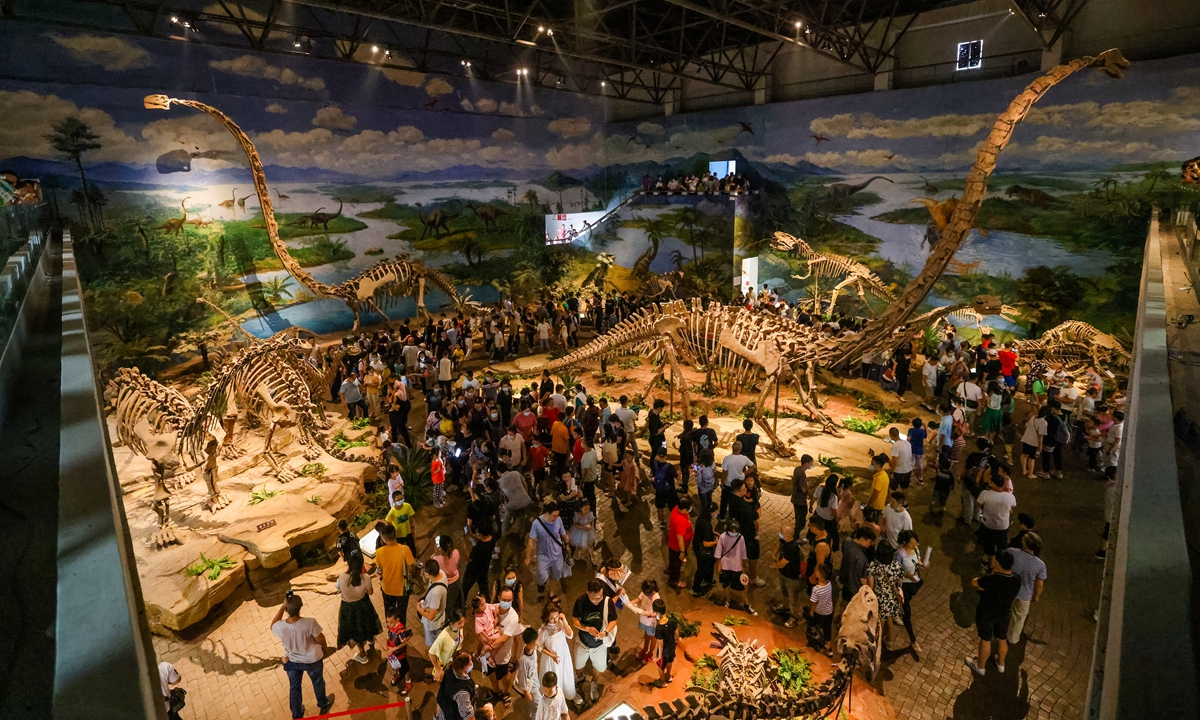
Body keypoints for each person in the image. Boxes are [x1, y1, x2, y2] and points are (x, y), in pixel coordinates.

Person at [271, 594, 333, 719]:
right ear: (300, 607)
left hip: (292, 661)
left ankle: (297, 714)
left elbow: (273, 625)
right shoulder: (309, 622)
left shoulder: (281, 626)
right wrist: (324, 648)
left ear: (287, 610)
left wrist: (283, 607)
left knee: (294, 687)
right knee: (318, 681)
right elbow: (320, 638)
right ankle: (323, 705)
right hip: (312, 660)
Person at [966, 553, 1022, 676]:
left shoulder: (993, 579)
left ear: (998, 563)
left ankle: (980, 666)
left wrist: (985, 585)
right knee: (1002, 637)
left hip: (987, 611)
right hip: (1004, 612)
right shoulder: (1017, 579)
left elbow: (975, 582)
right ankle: (1001, 663)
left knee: (985, 639)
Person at [572, 579, 619, 705]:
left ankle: (594, 682)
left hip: (600, 644)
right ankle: (579, 678)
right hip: (582, 640)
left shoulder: (607, 602)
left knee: (598, 667)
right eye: (594, 598)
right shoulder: (581, 601)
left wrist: (606, 632)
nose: (597, 600)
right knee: (578, 664)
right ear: (588, 593)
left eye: (600, 597)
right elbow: (574, 620)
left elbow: (613, 620)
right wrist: (586, 628)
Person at [337, 550, 382, 664]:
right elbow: (370, 592)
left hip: (348, 608)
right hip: (363, 604)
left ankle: (363, 654)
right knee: (368, 623)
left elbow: (338, 588)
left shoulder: (342, 577)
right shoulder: (365, 578)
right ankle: (371, 642)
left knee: (355, 629)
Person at [1006, 533, 1047, 644]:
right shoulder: (1040, 565)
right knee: (1018, 619)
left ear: (1024, 543)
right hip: (1024, 595)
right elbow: (1039, 585)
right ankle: (1012, 639)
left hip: (1008, 589)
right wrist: (1036, 596)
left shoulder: (1011, 552)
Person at [371, 523, 415, 622]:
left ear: (384, 539)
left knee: (389, 613)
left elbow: (379, 569)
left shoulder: (379, 552)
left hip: (387, 588)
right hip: (402, 589)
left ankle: (391, 632)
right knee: (401, 613)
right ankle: (401, 632)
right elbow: (412, 568)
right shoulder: (405, 549)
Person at [527, 502, 572, 596]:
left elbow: (562, 533)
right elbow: (531, 541)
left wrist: (567, 543)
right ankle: (542, 583)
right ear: (547, 513)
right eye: (554, 515)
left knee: (556, 575)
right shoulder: (537, 523)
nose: (556, 518)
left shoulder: (558, 520)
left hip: (557, 554)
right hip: (543, 554)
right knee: (541, 575)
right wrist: (527, 557)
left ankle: (551, 593)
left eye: (557, 515)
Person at [537, 597, 576, 703]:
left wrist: (564, 621)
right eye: (552, 618)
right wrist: (551, 655)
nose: (555, 620)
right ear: (547, 618)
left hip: (563, 655)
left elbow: (570, 635)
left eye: (557, 616)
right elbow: (539, 647)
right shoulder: (543, 630)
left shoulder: (561, 622)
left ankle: (569, 695)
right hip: (551, 660)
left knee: (566, 675)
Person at [895, 529, 927, 655]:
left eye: (916, 544)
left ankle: (898, 608)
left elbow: (917, 562)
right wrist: (907, 576)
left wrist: (922, 564)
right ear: (905, 543)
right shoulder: (900, 554)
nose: (915, 546)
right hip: (904, 585)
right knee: (907, 613)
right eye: (912, 544)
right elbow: (895, 572)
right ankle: (913, 640)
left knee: (906, 602)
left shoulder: (916, 550)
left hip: (914, 582)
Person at [976, 468, 1016, 566]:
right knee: (1001, 546)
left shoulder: (985, 494)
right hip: (1003, 526)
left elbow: (977, 504)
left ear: (993, 484)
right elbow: (1013, 507)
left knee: (989, 546)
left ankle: (991, 564)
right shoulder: (1010, 497)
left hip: (988, 525)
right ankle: (999, 565)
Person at [715, 519, 755, 615]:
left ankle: (746, 604)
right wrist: (719, 565)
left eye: (735, 532)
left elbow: (742, 551)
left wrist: (741, 565)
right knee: (725, 584)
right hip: (725, 565)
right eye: (731, 532)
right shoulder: (723, 537)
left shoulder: (740, 538)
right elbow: (718, 551)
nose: (733, 534)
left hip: (736, 565)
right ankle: (727, 600)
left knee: (741, 587)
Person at [771, 521, 804, 627]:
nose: (779, 534)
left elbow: (782, 563)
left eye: (781, 532)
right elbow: (778, 543)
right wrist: (774, 553)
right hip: (783, 574)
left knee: (793, 599)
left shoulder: (792, 548)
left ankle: (796, 617)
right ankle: (785, 608)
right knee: (784, 592)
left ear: (788, 535)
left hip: (791, 577)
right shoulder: (784, 540)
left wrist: (773, 565)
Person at [839, 527, 875, 606]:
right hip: (855, 587)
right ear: (862, 539)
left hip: (845, 579)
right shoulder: (861, 558)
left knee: (844, 603)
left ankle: (841, 617)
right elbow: (863, 579)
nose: (870, 544)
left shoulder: (847, 541)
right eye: (869, 541)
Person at [436, 652, 477, 720]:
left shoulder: (450, 670)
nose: (471, 663)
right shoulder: (462, 692)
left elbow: (442, 692)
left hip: (445, 710)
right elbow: (467, 714)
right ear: (464, 667)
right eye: (469, 663)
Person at [418, 559, 449, 647]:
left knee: (434, 646)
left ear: (428, 574)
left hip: (434, 625)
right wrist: (424, 577)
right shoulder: (441, 574)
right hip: (440, 617)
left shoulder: (436, 593)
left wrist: (419, 609)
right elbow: (429, 583)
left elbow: (431, 616)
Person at [691, 500, 719, 597]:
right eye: (716, 511)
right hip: (703, 551)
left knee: (710, 564)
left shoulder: (702, 518)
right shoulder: (706, 525)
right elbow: (706, 543)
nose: (717, 513)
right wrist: (716, 542)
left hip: (697, 547)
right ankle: (695, 589)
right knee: (701, 569)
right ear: (711, 512)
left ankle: (708, 580)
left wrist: (713, 533)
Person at [429, 610, 467, 682]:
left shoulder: (459, 628)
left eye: (463, 621)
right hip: (446, 667)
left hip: (455, 663)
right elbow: (431, 653)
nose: (463, 624)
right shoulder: (443, 637)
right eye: (460, 623)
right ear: (452, 624)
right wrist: (438, 669)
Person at [720, 441, 754, 519]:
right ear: (740, 449)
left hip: (728, 483)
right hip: (739, 482)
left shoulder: (727, 458)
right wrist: (744, 474)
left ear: (732, 448)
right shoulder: (744, 458)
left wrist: (722, 482)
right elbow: (753, 467)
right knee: (735, 501)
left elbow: (725, 472)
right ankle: (733, 517)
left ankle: (722, 517)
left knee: (724, 501)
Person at [806, 563, 834, 656]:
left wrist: (811, 611)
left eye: (817, 571)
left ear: (819, 575)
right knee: (827, 628)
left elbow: (814, 603)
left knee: (813, 619)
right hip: (829, 611)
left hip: (819, 611)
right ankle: (828, 646)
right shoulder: (829, 583)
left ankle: (813, 632)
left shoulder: (816, 590)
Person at [513, 628, 542, 717]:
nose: (537, 644)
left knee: (533, 705)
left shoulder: (532, 650)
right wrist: (526, 692)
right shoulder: (524, 660)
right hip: (531, 686)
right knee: (539, 705)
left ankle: (532, 714)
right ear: (528, 645)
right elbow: (523, 676)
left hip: (534, 679)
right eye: (534, 643)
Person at [666, 497, 694, 589]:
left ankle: (670, 570)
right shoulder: (681, 521)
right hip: (677, 547)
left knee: (673, 560)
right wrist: (682, 552)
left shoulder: (676, 508)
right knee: (677, 564)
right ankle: (674, 581)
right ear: (685, 509)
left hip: (672, 542)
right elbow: (680, 538)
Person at [384, 606, 413, 692]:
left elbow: (404, 642)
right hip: (393, 653)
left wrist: (393, 649)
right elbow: (390, 633)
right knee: (396, 665)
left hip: (400, 653)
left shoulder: (400, 630)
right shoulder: (391, 626)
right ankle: (399, 674)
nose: (389, 625)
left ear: (397, 620)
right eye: (387, 622)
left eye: (391, 622)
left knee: (404, 666)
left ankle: (408, 681)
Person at [633, 580, 661, 662]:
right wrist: (633, 602)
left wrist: (649, 614)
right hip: (644, 619)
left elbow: (658, 614)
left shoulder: (656, 598)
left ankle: (650, 653)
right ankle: (645, 650)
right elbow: (639, 598)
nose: (644, 594)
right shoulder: (645, 591)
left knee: (652, 637)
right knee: (646, 634)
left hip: (651, 622)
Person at [652, 599, 677, 687]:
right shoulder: (672, 620)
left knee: (660, 667)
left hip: (664, 651)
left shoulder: (659, 628)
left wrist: (658, 656)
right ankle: (668, 677)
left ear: (657, 612)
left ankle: (663, 682)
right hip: (672, 647)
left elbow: (660, 643)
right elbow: (677, 631)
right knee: (670, 662)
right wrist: (677, 640)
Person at [812, 475, 840, 551]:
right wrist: (837, 521)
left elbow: (813, 498)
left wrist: (810, 506)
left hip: (818, 513)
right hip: (828, 519)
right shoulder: (833, 497)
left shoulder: (819, 489)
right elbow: (834, 511)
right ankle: (835, 548)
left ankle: (811, 540)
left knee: (815, 528)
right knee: (835, 534)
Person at [386, 489, 417, 555]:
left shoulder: (407, 506)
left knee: (412, 547)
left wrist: (412, 528)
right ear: (394, 501)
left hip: (408, 531)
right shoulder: (392, 512)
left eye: (402, 498)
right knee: (401, 549)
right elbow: (387, 521)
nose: (401, 501)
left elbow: (411, 517)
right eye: (398, 500)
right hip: (398, 535)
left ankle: (414, 558)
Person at [569, 500, 597, 567]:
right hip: (579, 531)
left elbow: (592, 521)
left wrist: (590, 527)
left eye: (588, 509)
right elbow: (575, 524)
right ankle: (577, 553)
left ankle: (592, 557)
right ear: (580, 508)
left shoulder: (590, 514)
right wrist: (582, 527)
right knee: (578, 544)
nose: (587, 510)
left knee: (590, 545)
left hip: (588, 532)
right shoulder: (578, 515)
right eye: (585, 509)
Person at [865, 453, 889, 523]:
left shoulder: (880, 478)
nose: (871, 465)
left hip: (876, 506)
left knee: (873, 522)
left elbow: (875, 494)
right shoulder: (883, 474)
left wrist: (869, 504)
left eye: (872, 464)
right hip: (880, 504)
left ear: (878, 466)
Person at [790, 454, 813, 522]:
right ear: (806, 463)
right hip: (800, 501)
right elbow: (803, 489)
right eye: (811, 463)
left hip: (795, 498)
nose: (811, 465)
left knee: (798, 518)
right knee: (801, 521)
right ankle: (796, 532)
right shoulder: (802, 474)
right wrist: (808, 487)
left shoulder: (797, 469)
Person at [909, 418, 928, 485]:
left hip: (912, 449)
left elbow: (908, 438)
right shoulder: (922, 431)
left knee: (910, 464)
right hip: (919, 450)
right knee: (920, 465)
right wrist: (925, 426)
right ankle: (921, 479)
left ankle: (909, 480)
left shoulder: (911, 430)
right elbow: (926, 436)